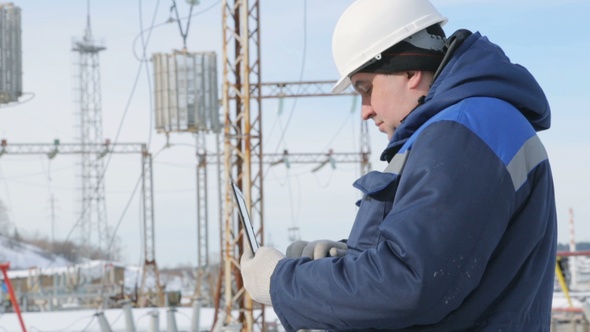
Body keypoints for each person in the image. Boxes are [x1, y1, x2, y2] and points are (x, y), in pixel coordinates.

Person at [240, 0, 557, 330]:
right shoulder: (467, 127)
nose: (365, 110)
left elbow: (408, 284)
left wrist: (281, 281)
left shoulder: (463, 132)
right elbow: (438, 266)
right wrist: (342, 261)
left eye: (366, 88)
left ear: (410, 70)